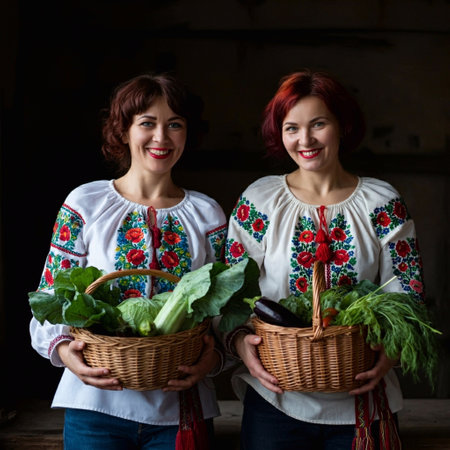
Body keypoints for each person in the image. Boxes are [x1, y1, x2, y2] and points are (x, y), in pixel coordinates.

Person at [224, 69, 425, 449]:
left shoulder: (382, 203)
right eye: (291, 128)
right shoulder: (259, 202)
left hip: (363, 399)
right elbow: (232, 292)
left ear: (343, 126)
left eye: (319, 124)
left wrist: (390, 355)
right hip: (275, 399)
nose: (305, 140)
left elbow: (407, 292)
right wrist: (240, 345)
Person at [29, 73, 228, 450]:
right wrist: (64, 354)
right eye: (147, 124)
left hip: (181, 410)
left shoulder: (208, 213)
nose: (161, 138)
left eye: (175, 125)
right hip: (95, 408)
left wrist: (211, 360)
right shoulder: (85, 203)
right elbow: (50, 298)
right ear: (123, 131)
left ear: (188, 134)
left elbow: (225, 313)